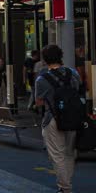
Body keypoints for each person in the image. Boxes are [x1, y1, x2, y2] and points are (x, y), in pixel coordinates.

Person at [35, 44, 81, 193]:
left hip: (52, 118)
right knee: (69, 153)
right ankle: (66, 183)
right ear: (60, 56)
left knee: (57, 155)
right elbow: (79, 90)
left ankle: (65, 187)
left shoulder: (41, 79)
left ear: (45, 60)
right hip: (73, 117)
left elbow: (38, 102)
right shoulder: (73, 73)